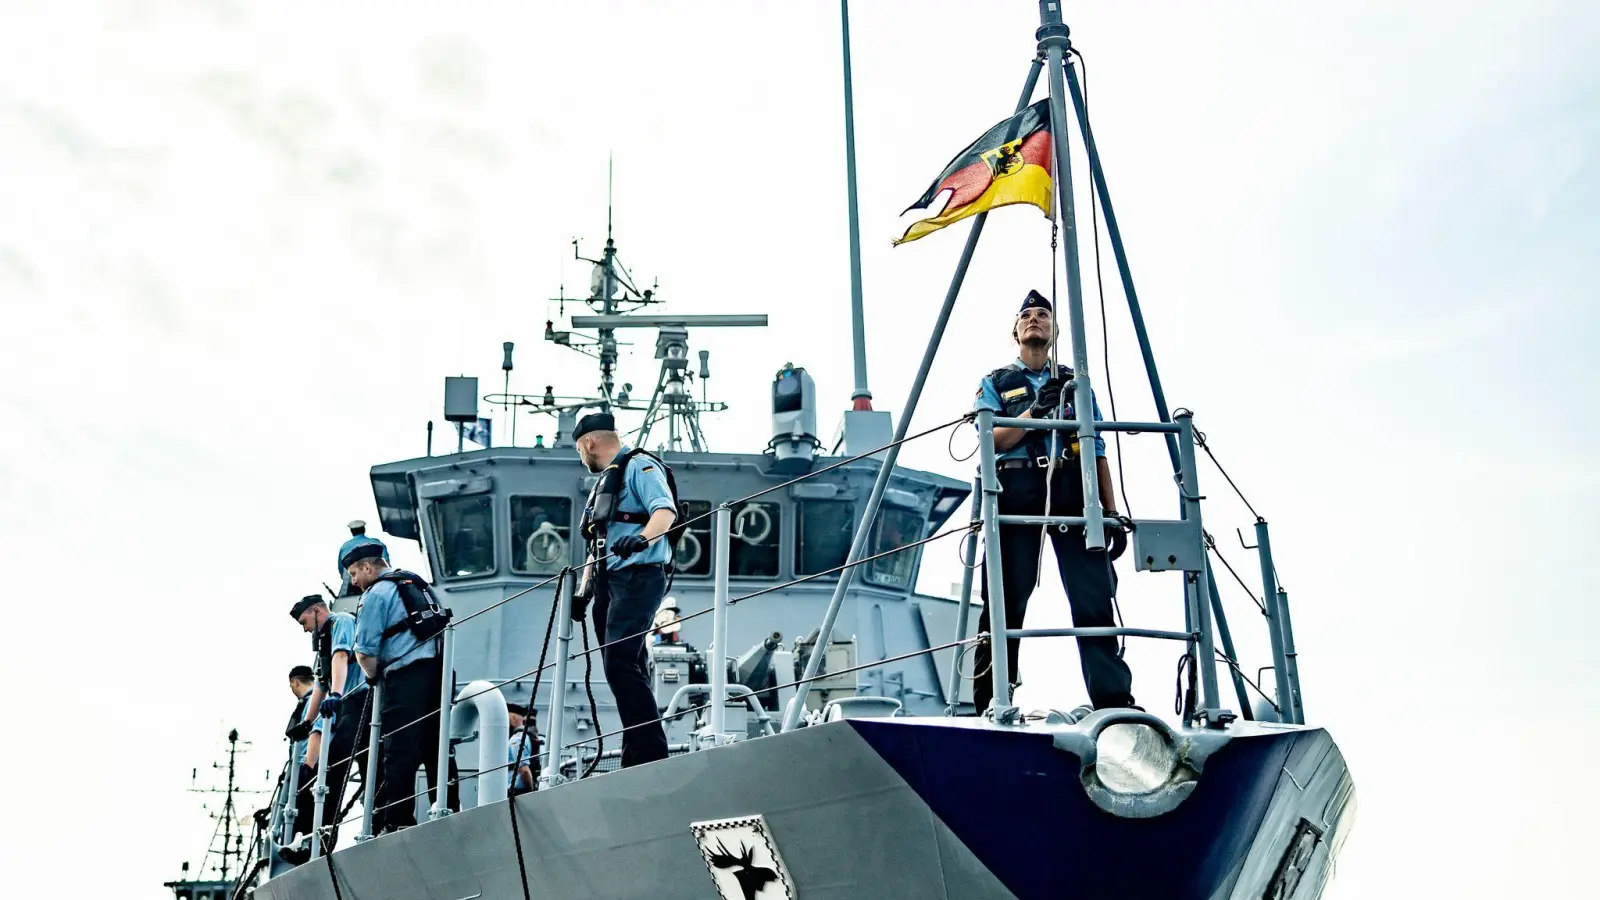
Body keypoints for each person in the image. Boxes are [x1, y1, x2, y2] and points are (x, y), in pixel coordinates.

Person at [969, 289, 1136, 715]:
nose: (1034, 320)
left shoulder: (1076, 385)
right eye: (1026, 315)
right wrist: (1035, 414)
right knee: (1005, 596)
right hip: (1016, 488)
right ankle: (992, 700)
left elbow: (1095, 444)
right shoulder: (995, 383)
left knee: (1092, 595)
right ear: (1016, 331)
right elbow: (992, 439)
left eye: (1043, 314)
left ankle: (1113, 701)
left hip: (1069, 487)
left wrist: (1109, 510)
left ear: (1055, 329)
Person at [572, 411, 675, 768]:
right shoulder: (604, 483)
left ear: (588, 442)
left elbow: (665, 512)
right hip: (607, 583)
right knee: (628, 665)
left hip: (638, 575)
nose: (581, 457)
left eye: (579, 450)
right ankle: (634, 755)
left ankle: (650, 756)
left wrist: (641, 540)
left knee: (620, 662)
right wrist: (583, 593)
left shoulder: (639, 466)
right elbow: (596, 544)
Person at [348, 544, 458, 831]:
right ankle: (449, 806)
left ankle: (398, 821)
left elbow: (364, 652)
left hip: (405, 676)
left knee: (398, 748)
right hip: (440, 673)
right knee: (438, 744)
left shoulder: (375, 595)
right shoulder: (417, 584)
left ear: (369, 567)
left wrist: (373, 679)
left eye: (354, 573)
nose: (353, 581)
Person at [283, 593, 370, 859]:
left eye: (304, 621)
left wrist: (336, 694)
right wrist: (307, 723)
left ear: (316, 611)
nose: (305, 628)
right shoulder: (322, 643)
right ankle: (313, 842)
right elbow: (321, 682)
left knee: (334, 767)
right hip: (345, 704)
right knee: (331, 772)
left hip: (360, 699)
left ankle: (322, 843)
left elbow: (342, 656)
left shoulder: (340, 621)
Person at [505, 703, 539, 794]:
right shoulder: (524, 737)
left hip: (517, 792)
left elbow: (524, 771)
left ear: (513, 719)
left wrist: (531, 792)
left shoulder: (517, 739)